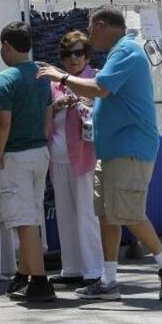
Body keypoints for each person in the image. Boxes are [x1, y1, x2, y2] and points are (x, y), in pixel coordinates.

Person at [37, 6, 162, 301]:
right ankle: (108, 280)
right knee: (107, 216)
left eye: (92, 30)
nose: (90, 38)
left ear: (103, 25)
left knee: (128, 213)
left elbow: (101, 88)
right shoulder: (122, 51)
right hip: (113, 150)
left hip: (129, 150)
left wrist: (61, 77)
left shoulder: (126, 51)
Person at [0, 22, 54, 302]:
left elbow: (2, 123)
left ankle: (40, 280)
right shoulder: (42, 73)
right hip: (39, 151)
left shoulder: (5, 79)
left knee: (23, 219)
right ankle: (26, 271)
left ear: (7, 45)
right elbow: (48, 115)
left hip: (16, 154)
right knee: (31, 215)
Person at [45, 30, 103, 289]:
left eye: (78, 53)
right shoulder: (55, 84)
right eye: (67, 54)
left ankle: (94, 269)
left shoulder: (95, 78)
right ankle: (72, 267)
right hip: (58, 156)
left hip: (85, 155)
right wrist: (57, 106)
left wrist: (84, 102)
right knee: (66, 214)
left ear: (87, 54)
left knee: (86, 213)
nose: (73, 58)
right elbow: (48, 119)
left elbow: (102, 113)